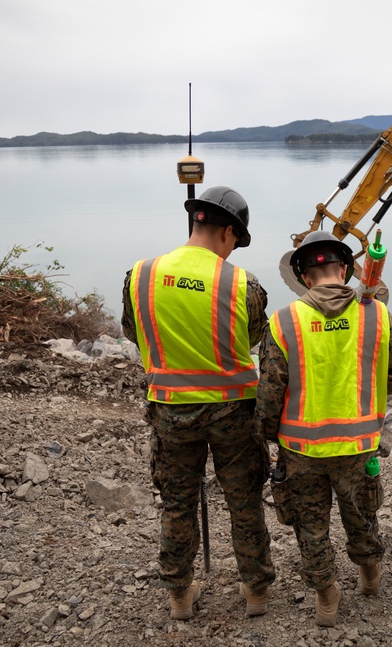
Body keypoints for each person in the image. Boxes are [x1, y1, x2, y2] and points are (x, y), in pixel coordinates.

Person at [120, 185, 275, 621]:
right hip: (234, 412)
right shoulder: (243, 283)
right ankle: (256, 591)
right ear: (228, 232)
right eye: (235, 243)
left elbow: (134, 332)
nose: (232, 252)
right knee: (244, 502)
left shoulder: (142, 274)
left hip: (170, 411)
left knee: (177, 502)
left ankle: (179, 595)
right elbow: (253, 338)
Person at [255, 230, 392, 627]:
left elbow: (270, 392)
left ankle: (327, 597)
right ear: (344, 269)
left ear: (305, 277)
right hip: (359, 446)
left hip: (301, 450)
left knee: (311, 526)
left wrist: (270, 436)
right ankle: (370, 575)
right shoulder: (378, 315)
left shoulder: (284, 321)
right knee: (361, 515)